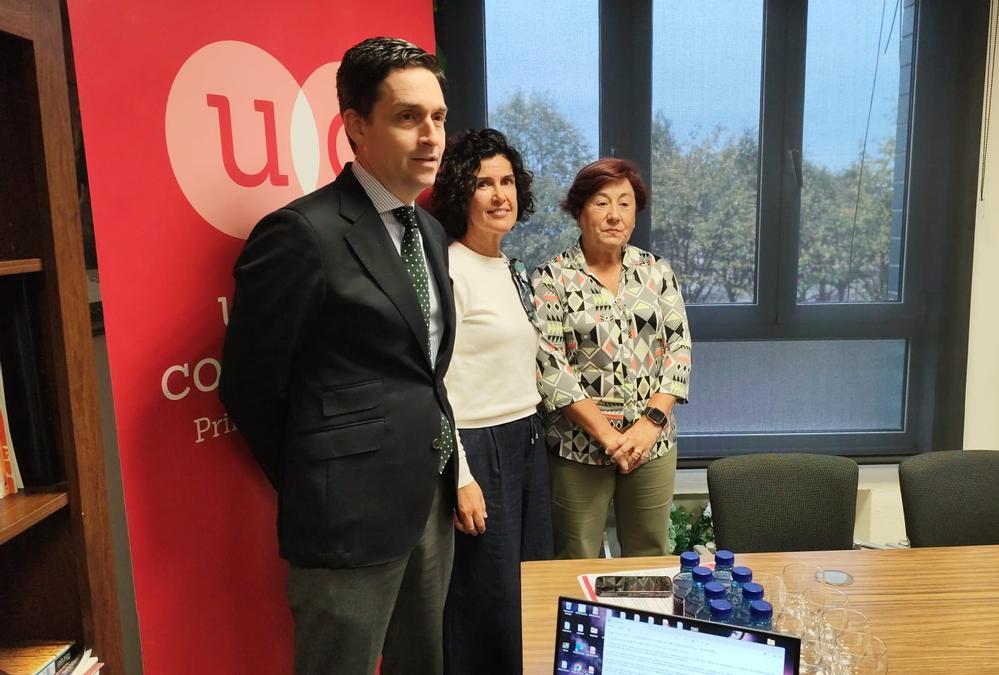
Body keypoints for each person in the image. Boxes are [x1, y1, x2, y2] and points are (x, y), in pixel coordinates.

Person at [220, 36, 461, 675]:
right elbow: (249, 387)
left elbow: (425, 369)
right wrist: (327, 479)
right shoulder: (302, 234)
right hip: (347, 519)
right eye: (409, 117)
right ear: (355, 126)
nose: (432, 136)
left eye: (438, 116)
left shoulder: (430, 230)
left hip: (429, 501)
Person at [429, 128, 553, 675]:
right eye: (484, 184)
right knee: (486, 601)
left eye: (507, 181)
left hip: (526, 440)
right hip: (477, 448)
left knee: (529, 587)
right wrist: (459, 475)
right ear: (462, 194)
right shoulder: (447, 270)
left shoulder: (511, 269)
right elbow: (430, 384)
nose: (500, 195)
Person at [533, 158, 693, 559]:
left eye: (625, 204)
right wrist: (609, 437)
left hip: (650, 445)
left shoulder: (657, 273)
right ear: (579, 210)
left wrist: (650, 424)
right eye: (602, 203)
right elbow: (551, 366)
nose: (614, 216)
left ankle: (640, 625)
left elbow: (679, 349)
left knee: (649, 556)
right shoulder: (551, 278)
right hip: (578, 449)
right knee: (576, 556)